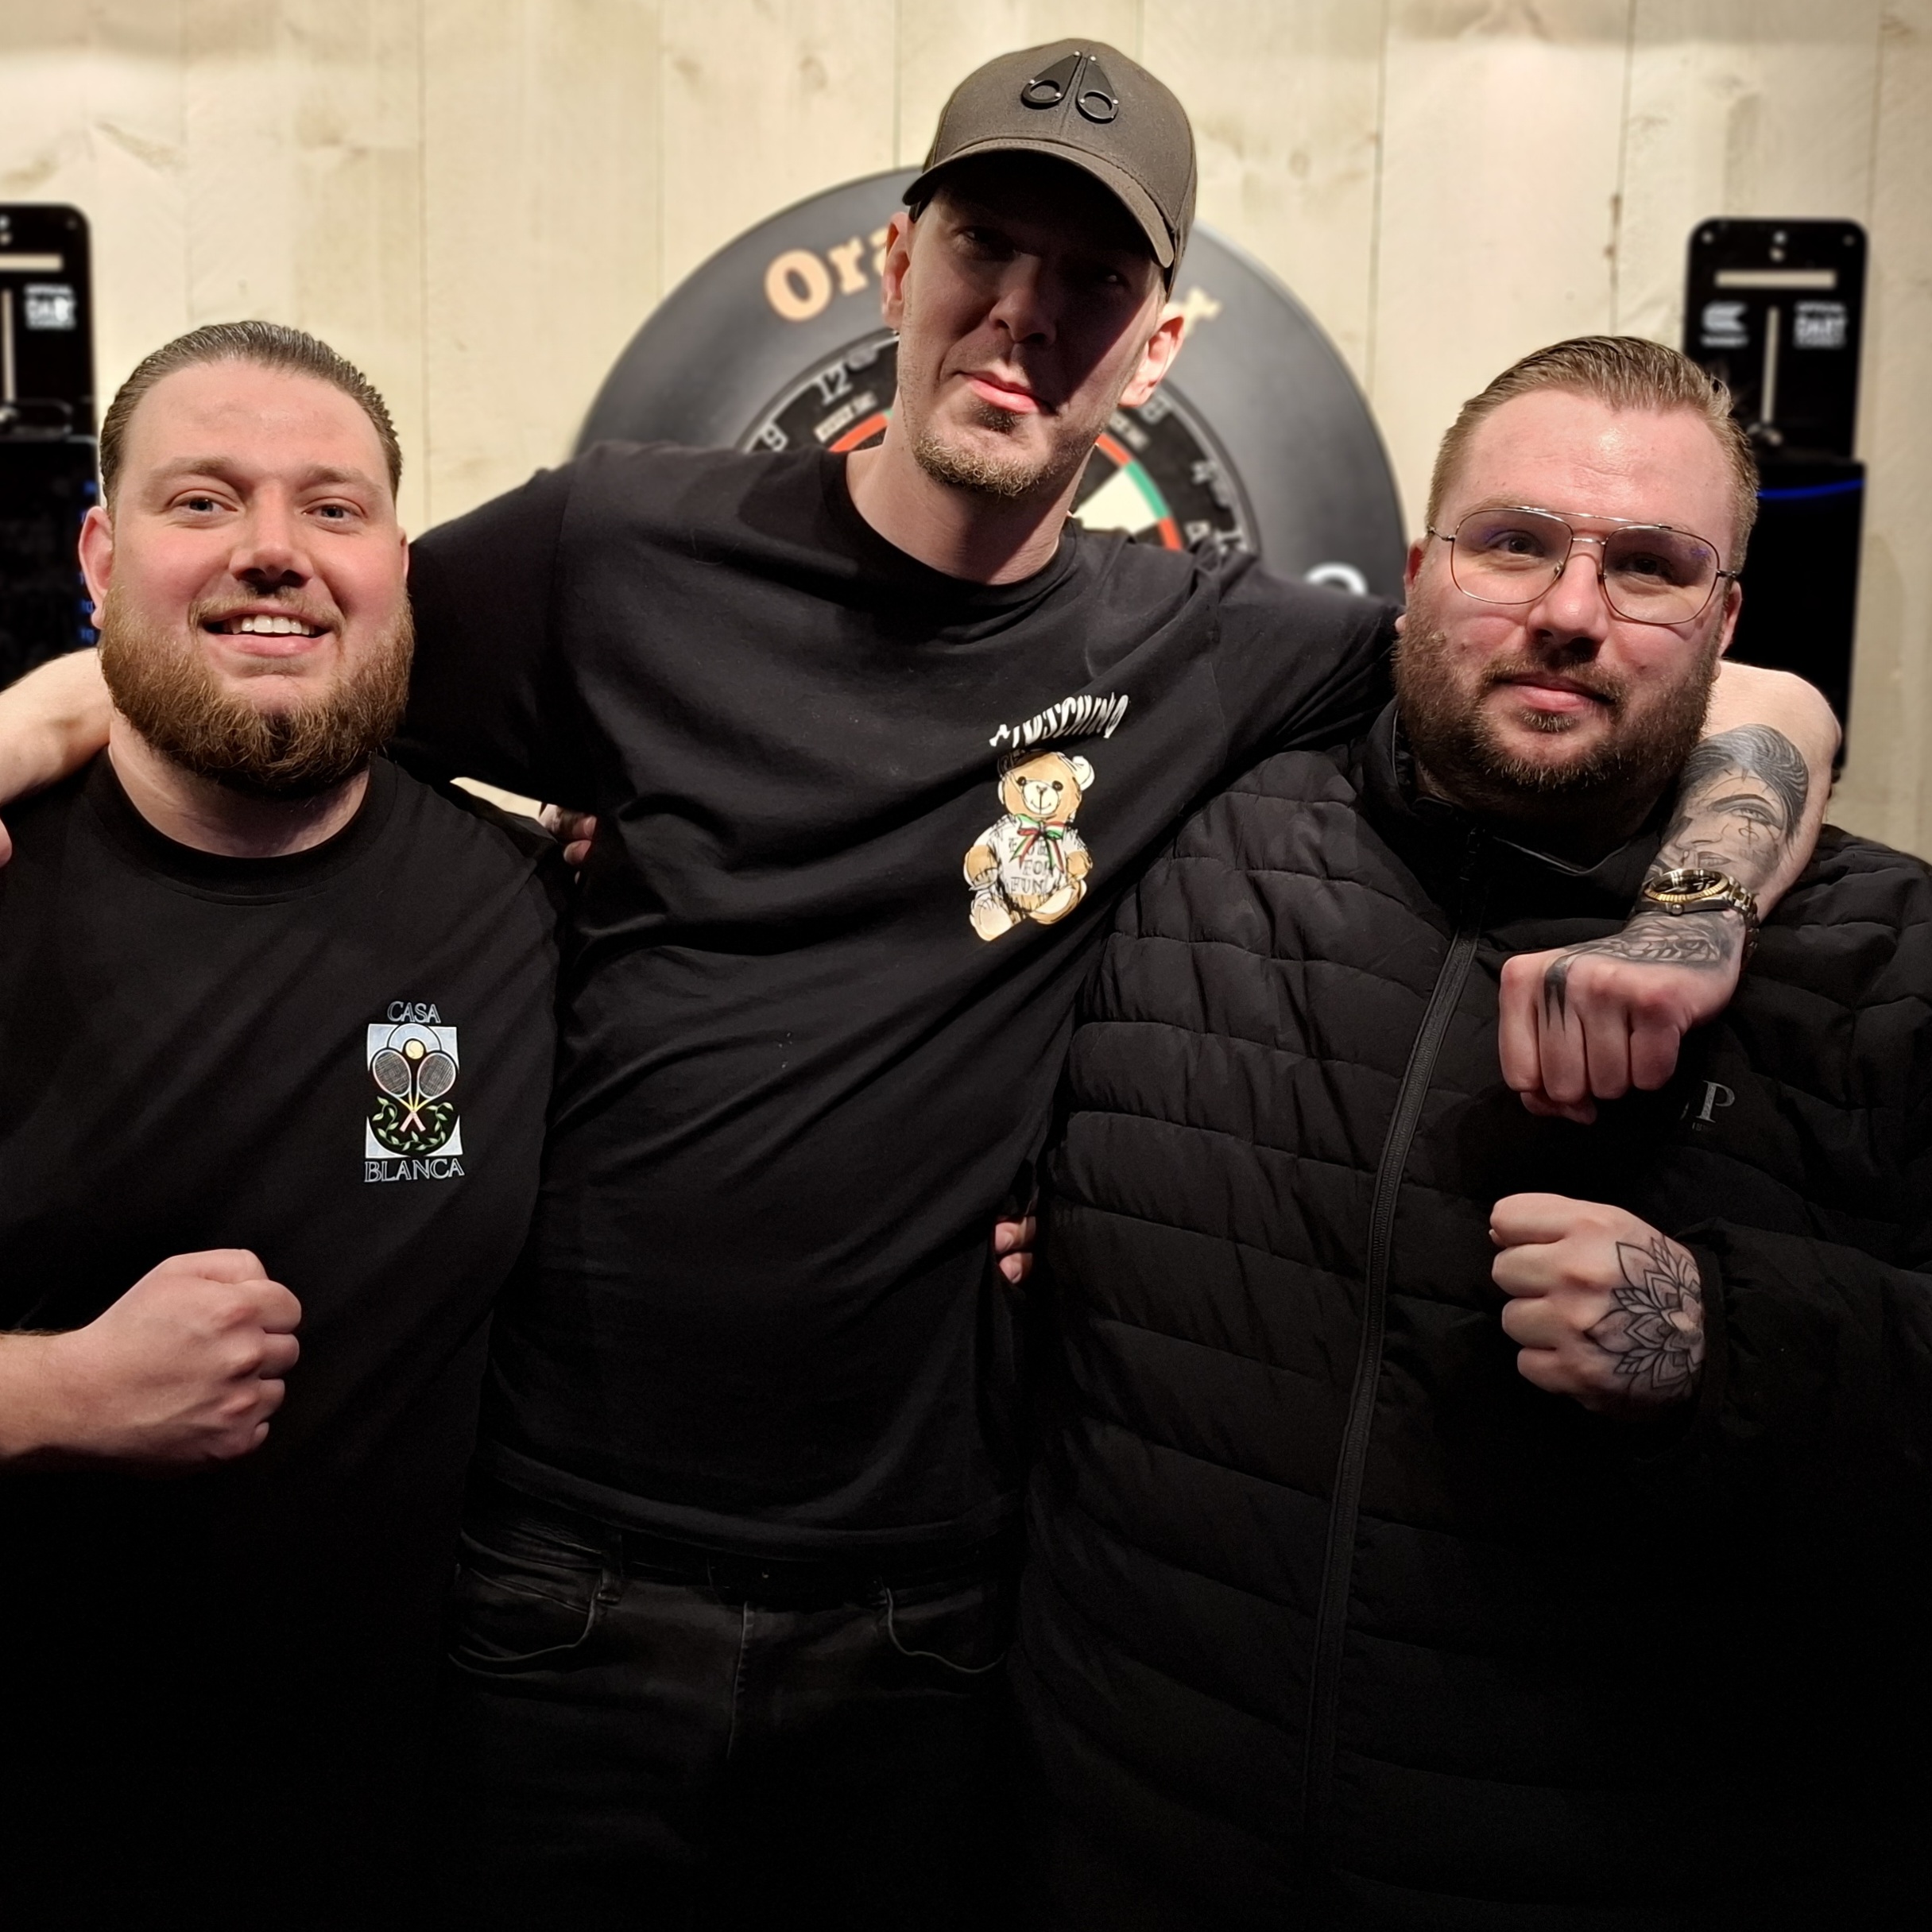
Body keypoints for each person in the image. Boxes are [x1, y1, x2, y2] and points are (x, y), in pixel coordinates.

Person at [0, 45, 1836, 1926]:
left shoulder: (1206, 643)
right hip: (559, 1578)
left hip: (930, 1610)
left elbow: (1740, 689)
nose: (1023, 315)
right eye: (984, 247)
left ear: (1158, 343)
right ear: (898, 263)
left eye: (1091, 278)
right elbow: (284, 627)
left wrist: (1692, 908)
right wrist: (39, 713)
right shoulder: (614, 544)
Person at [1012, 335, 1931, 1930]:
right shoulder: (1189, 846)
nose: (1570, 610)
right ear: (1415, 576)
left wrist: (1733, 1340)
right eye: (1514, 542)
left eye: (1650, 569)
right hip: (1125, 1848)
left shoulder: (1885, 967)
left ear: (1726, 625)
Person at [0, 322, 562, 1927]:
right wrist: (48, 1393)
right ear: (101, 556)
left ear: (397, 565)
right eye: (202, 501)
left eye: (332, 506)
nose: (273, 550)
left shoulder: (530, 903)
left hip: (402, 1830)